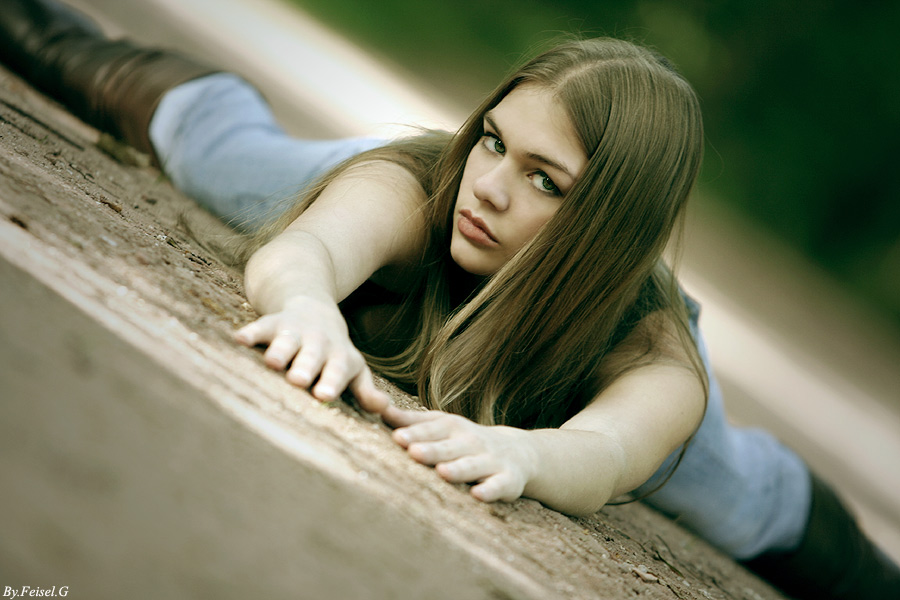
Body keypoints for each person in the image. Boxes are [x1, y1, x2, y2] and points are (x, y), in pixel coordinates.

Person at [2, 1, 898, 598]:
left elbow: (602, 450)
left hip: (772, 507)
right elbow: (306, 250)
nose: (491, 188)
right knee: (217, 155)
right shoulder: (431, 184)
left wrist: (524, 453)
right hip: (294, 170)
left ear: (608, 227)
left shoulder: (653, 349)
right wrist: (308, 304)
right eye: (496, 141)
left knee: (781, 526)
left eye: (546, 181)